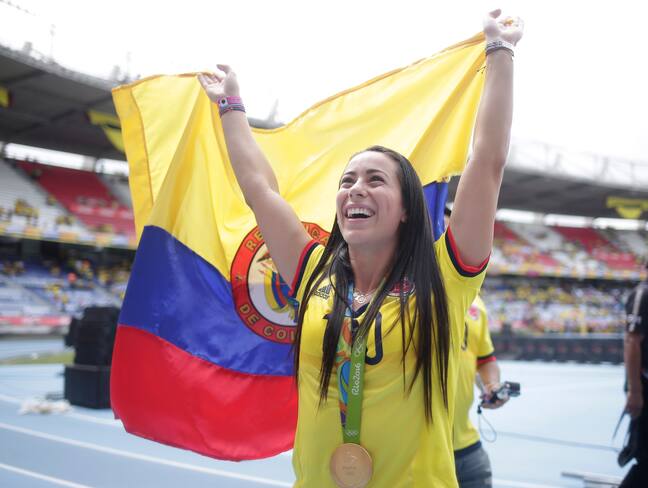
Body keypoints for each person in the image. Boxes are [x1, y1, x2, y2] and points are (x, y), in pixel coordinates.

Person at [198, 9, 523, 487]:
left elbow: (487, 162)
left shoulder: (445, 278)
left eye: (376, 180)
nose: (356, 189)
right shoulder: (314, 272)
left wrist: (501, 51)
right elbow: (259, 190)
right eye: (348, 180)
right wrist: (230, 106)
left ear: (408, 207)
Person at [444, 206, 508, 488]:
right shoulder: (401, 296)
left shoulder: (476, 305)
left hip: (467, 448)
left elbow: (485, 358)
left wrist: (492, 386)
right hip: (415, 450)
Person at [619, 257, 648, 487]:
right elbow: (632, 341)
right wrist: (635, 391)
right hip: (646, 386)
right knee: (646, 459)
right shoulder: (643, 294)